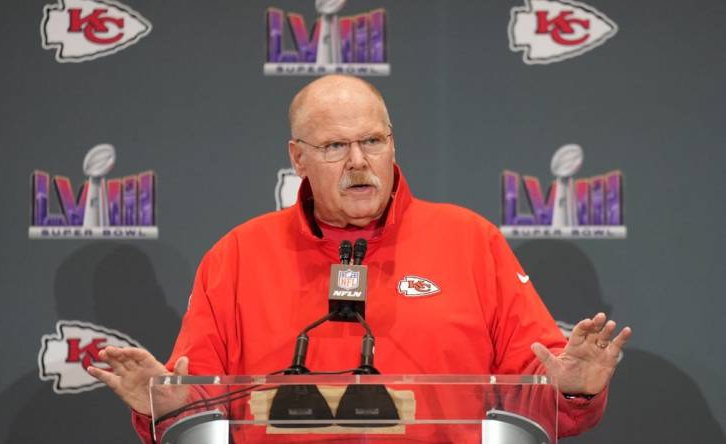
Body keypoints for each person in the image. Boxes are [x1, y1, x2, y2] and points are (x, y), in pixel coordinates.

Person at [88, 75, 632, 443]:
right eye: (334, 147)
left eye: (372, 141)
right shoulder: (236, 256)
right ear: (297, 158)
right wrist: (164, 404)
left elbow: (533, 387)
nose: (358, 163)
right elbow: (198, 401)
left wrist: (573, 387)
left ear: (393, 144)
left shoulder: (471, 241)